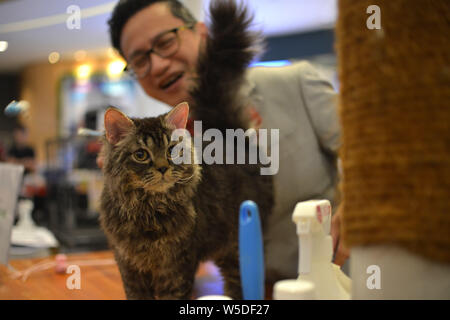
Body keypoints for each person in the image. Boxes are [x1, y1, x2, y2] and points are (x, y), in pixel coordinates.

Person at [107, 0, 349, 283]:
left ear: (201, 32)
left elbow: (376, 151)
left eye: (165, 42)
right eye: (140, 60)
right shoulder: (160, 145)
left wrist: (356, 204)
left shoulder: (295, 82)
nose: (158, 64)